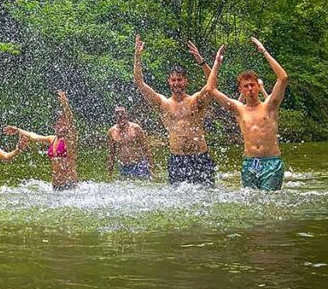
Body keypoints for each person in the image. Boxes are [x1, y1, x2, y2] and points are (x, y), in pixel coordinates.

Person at [206, 37, 290, 191]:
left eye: (252, 85)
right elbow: (211, 89)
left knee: (268, 202)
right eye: (246, 86)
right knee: (251, 203)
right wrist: (217, 63)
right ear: (241, 90)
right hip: (250, 163)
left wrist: (263, 51)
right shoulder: (239, 109)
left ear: (258, 87)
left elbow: (283, 78)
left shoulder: (270, 106)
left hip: (271, 161)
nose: (250, 89)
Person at [133, 35, 217, 186]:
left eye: (180, 80)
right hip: (177, 159)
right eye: (173, 80)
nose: (176, 83)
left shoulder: (195, 100)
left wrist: (201, 61)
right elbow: (139, 83)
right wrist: (137, 57)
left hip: (200, 157)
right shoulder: (163, 103)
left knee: (207, 197)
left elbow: (212, 85)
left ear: (186, 81)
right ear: (169, 82)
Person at [5, 90, 79, 191]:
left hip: (70, 186)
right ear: (54, 126)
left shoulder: (71, 139)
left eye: (63, 124)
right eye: (58, 124)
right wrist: (18, 130)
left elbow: (71, 120)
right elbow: (34, 136)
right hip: (56, 187)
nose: (60, 127)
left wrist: (65, 104)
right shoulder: (51, 139)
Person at [106, 106, 154, 180]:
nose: (120, 115)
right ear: (114, 116)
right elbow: (111, 153)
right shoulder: (112, 132)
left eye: (122, 113)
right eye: (117, 113)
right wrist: (109, 174)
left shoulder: (136, 128)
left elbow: (146, 150)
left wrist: (151, 169)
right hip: (123, 167)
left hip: (139, 165)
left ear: (126, 115)